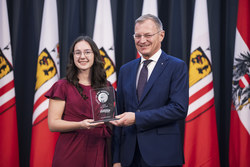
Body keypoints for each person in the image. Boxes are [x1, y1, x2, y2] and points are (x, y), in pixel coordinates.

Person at [110, 14, 189, 167]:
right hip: (129, 157)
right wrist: (116, 158)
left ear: (161, 35)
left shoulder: (176, 67)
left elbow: (178, 109)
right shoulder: (126, 70)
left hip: (162, 156)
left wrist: (137, 118)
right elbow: (120, 113)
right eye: (137, 36)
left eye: (147, 35)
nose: (142, 40)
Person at [45, 36, 112, 167]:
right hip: (70, 152)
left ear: (95, 55)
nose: (82, 56)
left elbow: (107, 120)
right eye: (78, 52)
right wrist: (80, 124)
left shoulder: (106, 86)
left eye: (87, 52)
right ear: (73, 57)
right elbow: (53, 124)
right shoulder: (62, 86)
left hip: (98, 149)